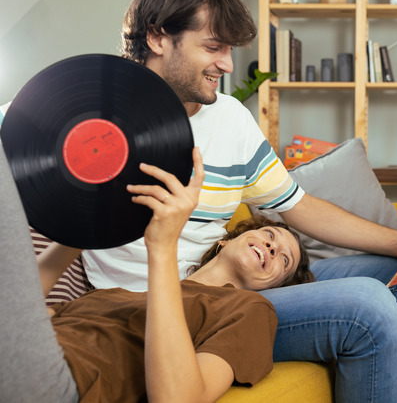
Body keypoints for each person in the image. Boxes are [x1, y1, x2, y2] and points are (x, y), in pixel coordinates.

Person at [78, 0, 397, 402]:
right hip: (162, 307)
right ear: (158, 38)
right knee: (367, 307)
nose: (226, 64)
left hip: (233, 283)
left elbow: (297, 205)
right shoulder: (89, 117)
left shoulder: (230, 117)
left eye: (229, 50)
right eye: (212, 47)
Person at [0, 146, 313, 402]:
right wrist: (82, 232)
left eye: (283, 261)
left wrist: (162, 245)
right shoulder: (119, 294)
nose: (272, 249)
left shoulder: (250, 310)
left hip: (65, 379)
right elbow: (20, 312)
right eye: (269, 236)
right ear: (225, 241)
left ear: (272, 286)